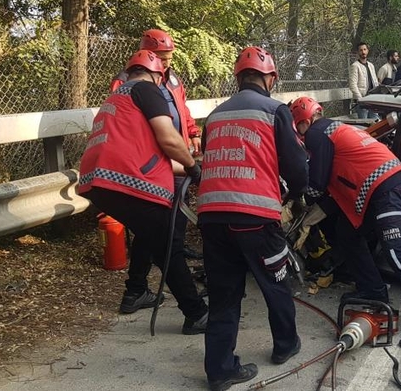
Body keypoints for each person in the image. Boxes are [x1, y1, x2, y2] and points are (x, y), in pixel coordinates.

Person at [289, 97, 401, 350]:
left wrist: (299, 194)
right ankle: (374, 291)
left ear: (304, 122)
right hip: (380, 185)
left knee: (396, 253)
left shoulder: (317, 133)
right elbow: (335, 179)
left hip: (384, 188)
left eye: (297, 128)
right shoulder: (335, 128)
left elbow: (317, 185)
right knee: (347, 235)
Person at [197, 46, 309, 390]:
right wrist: (296, 193)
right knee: (275, 283)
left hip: (212, 217)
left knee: (223, 294)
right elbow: (295, 166)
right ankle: (285, 346)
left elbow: (208, 157)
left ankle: (219, 370)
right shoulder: (275, 110)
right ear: (270, 78)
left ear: (238, 78)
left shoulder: (215, 115)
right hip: (255, 218)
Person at [78, 50, 209, 335]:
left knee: (150, 232)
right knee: (167, 246)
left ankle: (136, 291)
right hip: (128, 180)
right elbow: (168, 139)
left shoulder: (116, 98)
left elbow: (148, 154)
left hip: (100, 182)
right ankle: (196, 313)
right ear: (157, 75)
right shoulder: (147, 90)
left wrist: (187, 170)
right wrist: (191, 164)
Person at [111, 29, 203, 266]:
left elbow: (182, 109)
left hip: (176, 151)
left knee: (180, 207)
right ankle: (163, 259)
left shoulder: (173, 80)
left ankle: (176, 249)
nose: (166, 63)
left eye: (169, 57)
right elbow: (120, 114)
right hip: (149, 157)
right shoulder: (127, 79)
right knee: (153, 216)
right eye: (161, 58)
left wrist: (192, 132)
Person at [348, 42, 379, 119]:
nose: (363, 52)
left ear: (367, 51)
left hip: (373, 99)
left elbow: (375, 81)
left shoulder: (371, 65)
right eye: (361, 50)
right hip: (362, 100)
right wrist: (360, 99)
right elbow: (352, 84)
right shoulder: (355, 66)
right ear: (358, 52)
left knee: (375, 122)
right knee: (364, 124)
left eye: (365, 49)